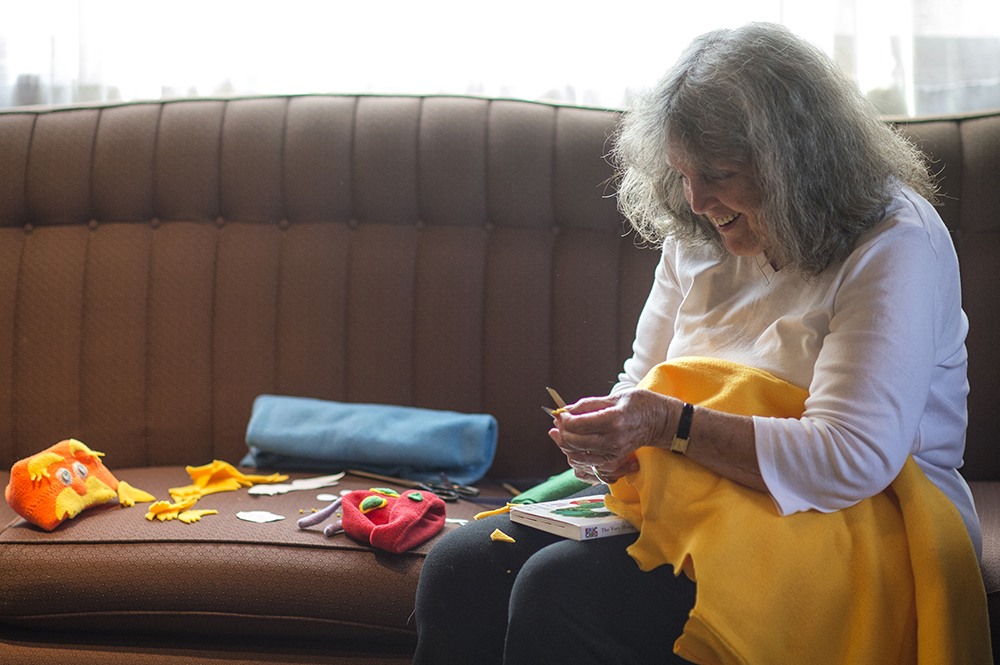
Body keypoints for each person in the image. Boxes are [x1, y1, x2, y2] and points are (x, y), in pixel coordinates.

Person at [412, 22, 980, 665]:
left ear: (799, 162)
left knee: (559, 592)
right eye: (684, 173)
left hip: (859, 516)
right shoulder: (698, 228)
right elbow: (645, 379)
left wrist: (667, 425)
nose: (697, 199)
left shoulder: (893, 241)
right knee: (460, 568)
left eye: (720, 174)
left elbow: (851, 460)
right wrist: (610, 439)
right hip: (702, 491)